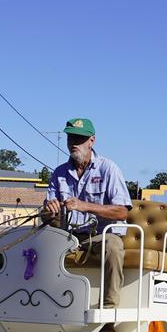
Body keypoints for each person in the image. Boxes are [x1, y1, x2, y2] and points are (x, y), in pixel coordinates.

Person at [42, 117, 133, 311]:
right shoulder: (59, 173)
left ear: (92, 141)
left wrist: (85, 205)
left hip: (101, 236)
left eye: (79, 138)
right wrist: (49, 210)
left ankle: (108, 311)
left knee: (114, 246)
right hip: (69, 236)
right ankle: (46, 305)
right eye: (70, 138)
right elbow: (46, 217)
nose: (74, 143)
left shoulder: (108, 169)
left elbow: (122, 210)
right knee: (38, 246)